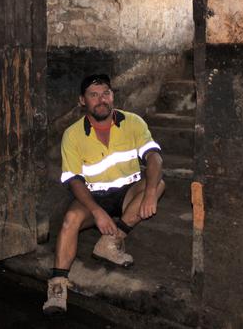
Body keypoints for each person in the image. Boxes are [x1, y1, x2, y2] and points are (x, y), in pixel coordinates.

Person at [42, 74, 165, 315]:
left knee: (158, 183)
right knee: (70, 220)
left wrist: (150, 192)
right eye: (94, 95)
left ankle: (110, 242)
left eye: (106, 93)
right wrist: (97, 212)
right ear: (82, 101)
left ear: (113, 96)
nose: (102, 100)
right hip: (92, 196)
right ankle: (57, 287)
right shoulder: (73, 134)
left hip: (128, 192)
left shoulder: (133, 122)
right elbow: (74, 180)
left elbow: (154, 157)